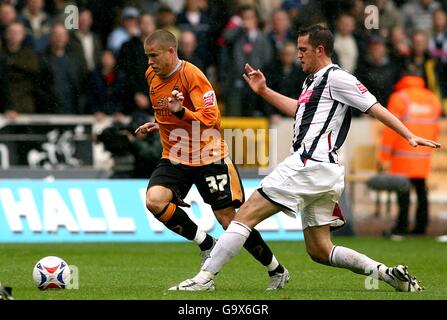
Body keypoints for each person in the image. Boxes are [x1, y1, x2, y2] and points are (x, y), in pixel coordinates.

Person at [170, 25, 440, 292]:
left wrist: (409, 136)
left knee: (243, 217)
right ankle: (387, 274)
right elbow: (299, 110)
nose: (298, 54)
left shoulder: (337, 77)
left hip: (308, 163)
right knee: (320, 250)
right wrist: (264, 91)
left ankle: (204, 278)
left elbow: (374, 106)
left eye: (303, 49)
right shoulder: (312, 81)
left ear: (319, 50)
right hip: (325, 173)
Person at [135, 29, 289, 290]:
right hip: (175, 156)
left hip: (209, 156)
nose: (150, 62)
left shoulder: (192, 76)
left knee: (230, 220)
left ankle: (276, 270)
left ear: (171, 52)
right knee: (155, 201)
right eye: (147, 56)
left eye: (154, 55)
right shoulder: (152, 75)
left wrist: (182, 111)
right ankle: (207, 244)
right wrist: (158, 123)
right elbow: (167, 111)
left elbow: (210, 119)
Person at [379, 74, 441, 236]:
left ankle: (402, 226)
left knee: (403, 192)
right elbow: (436, 128)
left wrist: (384, 156)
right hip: (423, 155)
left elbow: (390, 131)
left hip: (402, 156)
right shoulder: (432, 99)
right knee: (421, 191)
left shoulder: (399, 98)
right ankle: (421, 226)